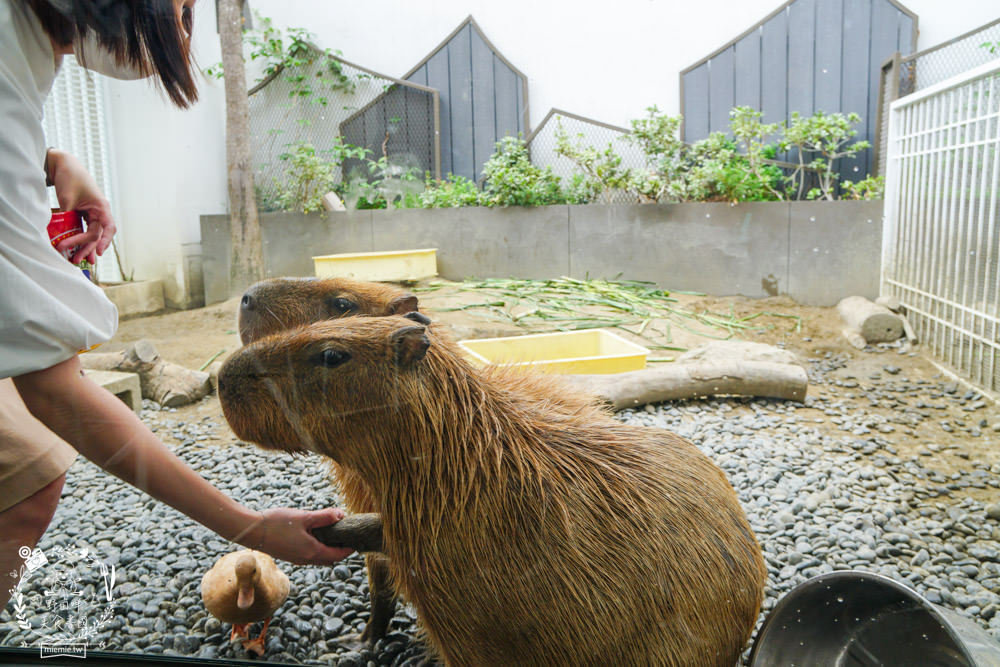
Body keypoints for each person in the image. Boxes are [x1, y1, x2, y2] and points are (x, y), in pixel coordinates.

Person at [0, 0, 354, 612]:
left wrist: (55, 162)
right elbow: (54, 388)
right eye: (184, 6)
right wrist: (246, 525)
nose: (186, 29)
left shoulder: (29, 36)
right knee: (29, 472)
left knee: (29, 472)